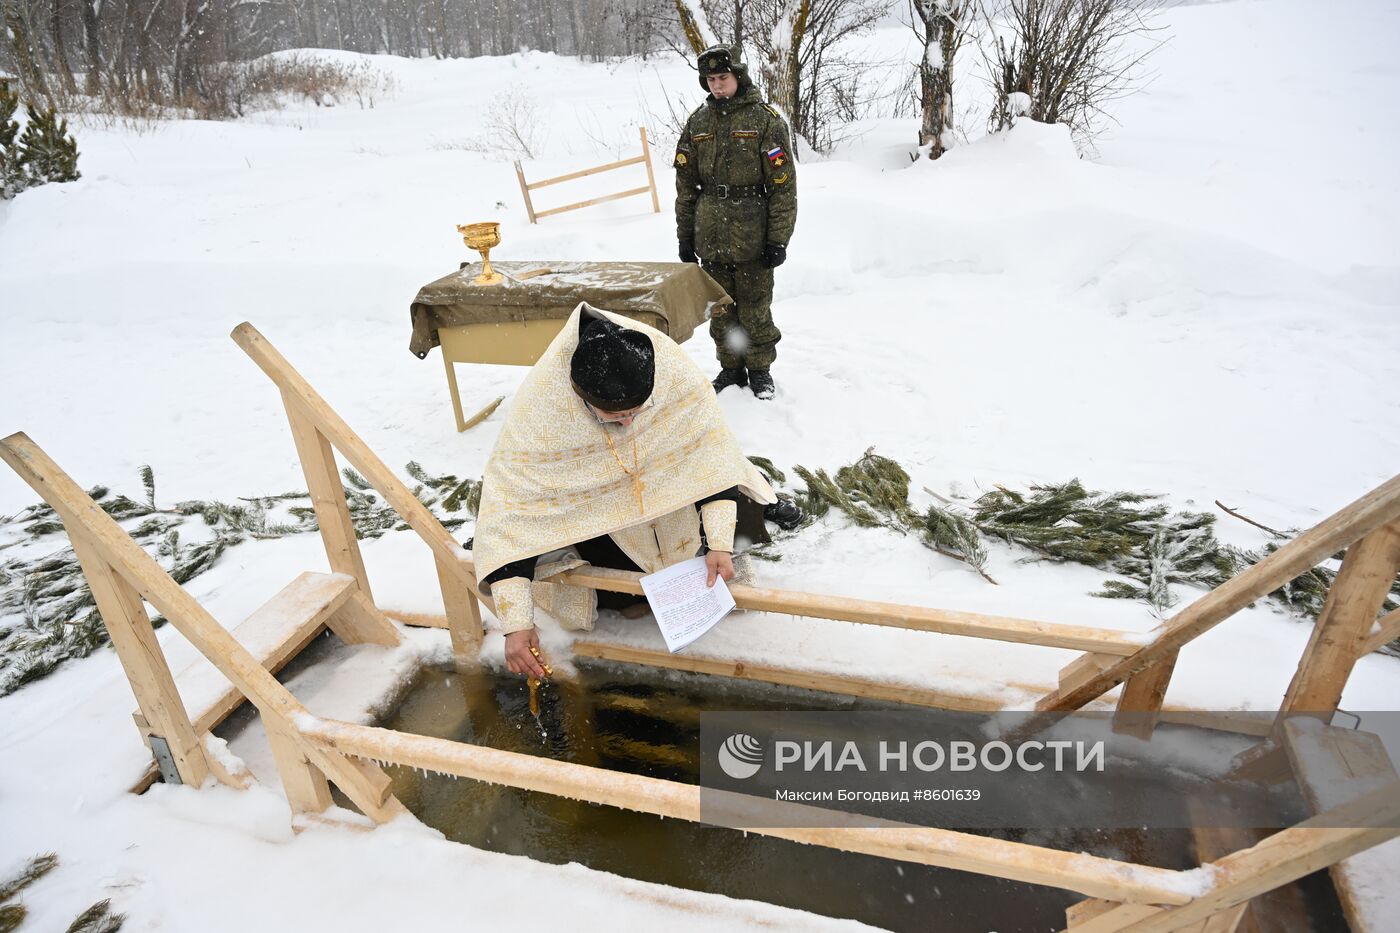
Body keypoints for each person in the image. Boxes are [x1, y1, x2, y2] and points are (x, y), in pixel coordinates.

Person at [471, 302, 778, 679]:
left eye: (637, 411)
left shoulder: (671, 369)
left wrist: (718, 543)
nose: (630, 422)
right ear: (581, 396)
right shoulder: (541, 411)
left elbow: (710, 458)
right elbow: (512, 516)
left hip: (673, 503)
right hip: (600, 520)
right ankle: (634, 596)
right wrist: (516, 624)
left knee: (735, 524)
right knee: (620, 597)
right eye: (616, 416)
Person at [674, 44, 797, 401]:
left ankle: (759, 370)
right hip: (710, 233)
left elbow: (783, 187)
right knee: (721, 311)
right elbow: (685, 186)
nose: (717, 85)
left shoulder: (765, 120)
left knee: (756, 309)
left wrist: (778, 239)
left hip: (752, 234)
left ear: (738, 77)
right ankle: (730, 367)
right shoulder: (698, 122)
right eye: (711, 79)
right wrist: (685, 236)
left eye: (723, 78)